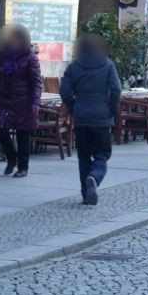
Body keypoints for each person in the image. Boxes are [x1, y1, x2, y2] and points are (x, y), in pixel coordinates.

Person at [61, 34, 122, 206]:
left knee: (84, 155)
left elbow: (64, 91)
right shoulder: (108, 65)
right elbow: (116, 89)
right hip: (101, 116)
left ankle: (85, 193)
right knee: (102, 154)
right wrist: (111, 109)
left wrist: (74, 107)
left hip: (81, 116)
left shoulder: (74, 66)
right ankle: (94, 177)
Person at [0, 24, 42, 179]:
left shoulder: (30, 58)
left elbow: (36, 82)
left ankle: (23, 167)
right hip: (4, 99)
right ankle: (11, 158)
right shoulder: (3, 55)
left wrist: (35, 102)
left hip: (24, 101)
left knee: (22, 133)